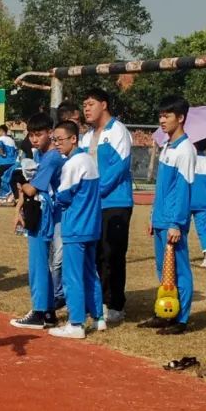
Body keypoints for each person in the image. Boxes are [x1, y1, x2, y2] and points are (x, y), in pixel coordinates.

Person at [139, 96, 194, 334]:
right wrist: (153, 215)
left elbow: (183, 190)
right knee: (163, 269)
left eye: (167, 116)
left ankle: (181, 319)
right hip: (160, 219)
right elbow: (163, 188)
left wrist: (176, 223)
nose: (162, 120)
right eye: (160, 116)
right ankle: (165, 312)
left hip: (173, 221)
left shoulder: (185, 150)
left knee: (179, 270)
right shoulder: (168, 147)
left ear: (180, 118)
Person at [79, 88, 134, 324]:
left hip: (115, 202)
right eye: (84, 105)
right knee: (95, 253)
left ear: (104, 104)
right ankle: (97, 300)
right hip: (92, 203)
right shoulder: (85, 136)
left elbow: (119, 169)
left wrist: (94, 191)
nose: (86, 109)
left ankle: (115, 304)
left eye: (91, 104)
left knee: (113, 254)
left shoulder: (118, 131)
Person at [50, 120, 104, 339]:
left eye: (60, 140)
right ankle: (99, 317)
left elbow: (63, 196)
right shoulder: (90, 161)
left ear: (73, 139)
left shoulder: (72, 164)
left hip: (75, 227)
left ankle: (76, 323)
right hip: (91, 226)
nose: (56, 144)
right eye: (54, 140)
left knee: (72, 276)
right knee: (91, 273)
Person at [11, 113, 63, 329]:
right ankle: (49, 311)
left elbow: (32, 188)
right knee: (42, 262)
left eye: (39, 134)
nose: (34, 139)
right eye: (31, 135)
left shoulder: (51, 157)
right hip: (40, 211)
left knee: (38, 263)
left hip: (45, 214)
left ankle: (40, 311)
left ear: (49, 133)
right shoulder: (41, 155)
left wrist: (22, 183)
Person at [189, 138, 206, 267]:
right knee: (204, 229)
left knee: (182, 229)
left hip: (188, 199)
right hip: (204, 199)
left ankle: (178, 255)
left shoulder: (189, 158)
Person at [0, 124, 19, 204]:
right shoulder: (11, 140)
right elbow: (16, 150)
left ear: (2, 131)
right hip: (12, 163)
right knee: (12, 181)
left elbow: (0, 146)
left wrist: (2, 153)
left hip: (3, 162)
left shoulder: (0, 138)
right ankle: (17, 199)